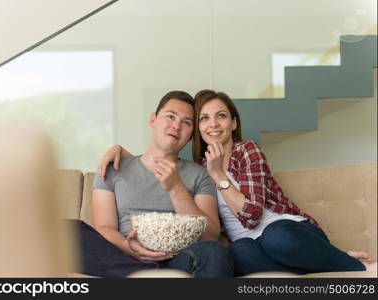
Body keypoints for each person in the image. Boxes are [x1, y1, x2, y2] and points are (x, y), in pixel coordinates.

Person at [98, 89, 376, 276]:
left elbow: (253, 216)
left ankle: (357, 268)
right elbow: (150, 165)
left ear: (233, 122)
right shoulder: (200, 168)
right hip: (250, 245)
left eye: (221, 116)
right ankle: (324, 262)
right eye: (204, 119)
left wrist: (219, 175)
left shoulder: (247, 151)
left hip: (288, 232)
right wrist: (124, 153)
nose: (213, 125)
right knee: (234, 254)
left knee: (275, 237)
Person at [74, 90, 233, 278]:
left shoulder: (200, 175)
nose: (176, 126)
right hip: (123, 257)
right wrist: (127, 247)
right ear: (153, 120)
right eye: (170, 116)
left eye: (186, 122)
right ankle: (149, 275)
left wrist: (176, 189)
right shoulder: (113, 167)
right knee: (68, 230)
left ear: (191, 135)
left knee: (213, 251)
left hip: (178, 259)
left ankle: (149, 277)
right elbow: (104, 227)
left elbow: (209, 235)